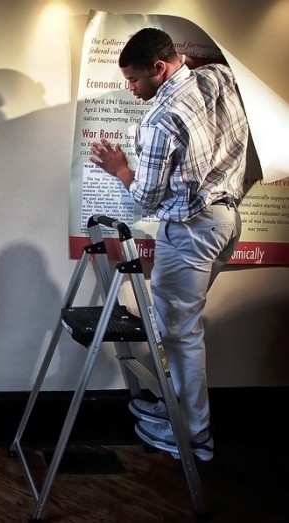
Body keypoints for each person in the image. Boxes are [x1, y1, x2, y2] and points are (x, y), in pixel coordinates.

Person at [90, 28, 249, 461]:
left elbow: (146, 197)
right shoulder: (217, 77)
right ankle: (176, 409)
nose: (130, 87)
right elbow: (209, 71)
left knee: (180, 334)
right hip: (226, 221)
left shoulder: (161, 118)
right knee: (181, 329)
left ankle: (195, 436)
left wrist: (120, 167)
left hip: (192, 228)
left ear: (160, 68)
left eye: (135, 79)